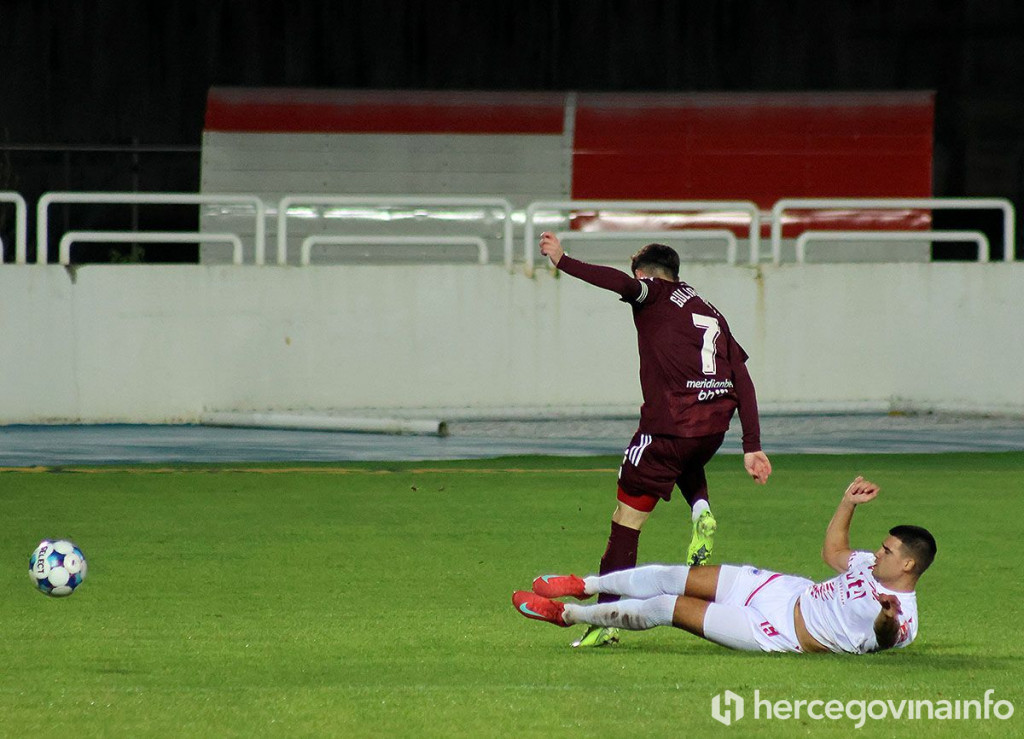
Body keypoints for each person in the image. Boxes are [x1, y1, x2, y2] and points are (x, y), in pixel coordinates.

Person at [538, 231, 772, 647]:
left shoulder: (653, 293)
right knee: (684, 455)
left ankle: (604, 619)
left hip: (667, 428)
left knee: (625, 523)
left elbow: (618, 283)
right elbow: (743, 377)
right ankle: (700, 507)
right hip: (713, 428)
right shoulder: (710, 310)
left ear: (645, 275)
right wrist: (751, 445)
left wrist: (563, 260)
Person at [513, 476, 935, 655]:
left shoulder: (905, 619)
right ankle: (584, 584)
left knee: (666, 607)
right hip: (783, 590)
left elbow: (885, 639)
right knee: (672, 575)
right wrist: (847, 503)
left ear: (909, 564)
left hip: (779, 632)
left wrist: (885, 616)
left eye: (887, 551)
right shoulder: (867, 566)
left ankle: (568, 615)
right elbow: (833, 552)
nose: (877, 553)